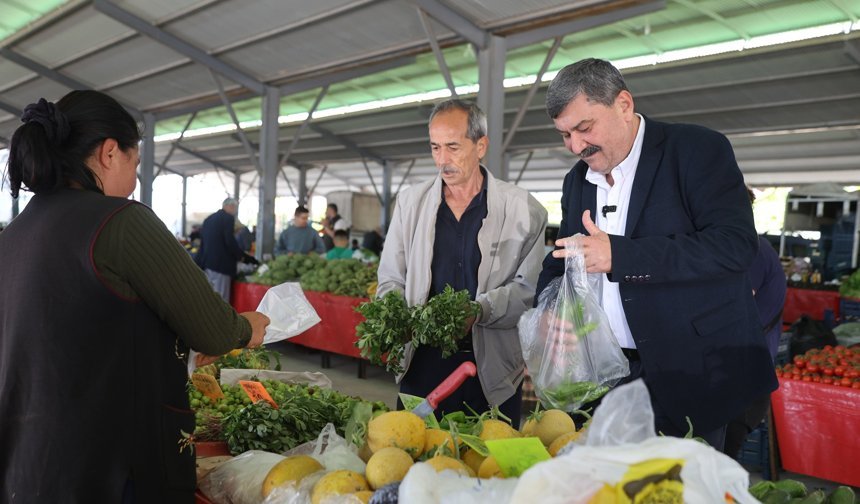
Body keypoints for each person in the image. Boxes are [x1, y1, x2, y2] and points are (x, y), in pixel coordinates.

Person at [0, 91, 270, 502]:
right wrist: (246, 327)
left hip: (27, 464)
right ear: (110, 153)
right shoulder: (122, 221)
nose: (136, 179)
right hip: (108, 466)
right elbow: (213, 330)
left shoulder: (17, 231)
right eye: (136, 163)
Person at [536, 58, 777, 449]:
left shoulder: (696, 150)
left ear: (624, 105)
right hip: (609, 374)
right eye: (565, 134)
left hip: (692, 372)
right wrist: (548, 310)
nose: (576, 146)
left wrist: (621, 255)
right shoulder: (577, 180)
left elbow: (733, 246)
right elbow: (564, 255)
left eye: (584, 128)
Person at [377, 99, 547, 426]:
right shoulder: (410, 203)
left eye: (453, 147)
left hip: (492, 368)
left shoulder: (524, 210)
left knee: (489, 462)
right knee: (415, 455)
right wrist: (394, 315)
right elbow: (391, 279)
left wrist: (481, 310)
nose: (443, 160)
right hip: (421, 363)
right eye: (435, 148)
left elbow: (529, 289)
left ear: (480, 145)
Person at [723, 188, 788, 458]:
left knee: (719, 461)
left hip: (741, 378)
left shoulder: (752, 250)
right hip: (732, 373)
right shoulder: (740, 246)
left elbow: (731, 310)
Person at [196, 197, 255, 302]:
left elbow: (203, 243)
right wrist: (242, 257)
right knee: (222, 300)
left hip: (207, 265)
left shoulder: (208, 219)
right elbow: (230, 241)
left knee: (210, 297)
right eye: (235, 208)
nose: (235, 211)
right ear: (230, 206)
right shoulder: (228, 218)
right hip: (221, 266)